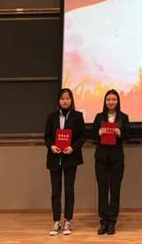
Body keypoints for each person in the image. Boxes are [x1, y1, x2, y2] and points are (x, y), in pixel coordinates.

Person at [43, 88, 87, 236]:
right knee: (55, 191)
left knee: (69, 190)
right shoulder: (51, 116)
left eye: (67, 98)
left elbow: (82, 136)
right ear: (58, 101)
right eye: (62, 98)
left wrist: (73, 147)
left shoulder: (77, 116)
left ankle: (68, 220)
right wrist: (51, 146)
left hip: (70, 158)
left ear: (71, 100)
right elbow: (46, 136)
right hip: (54, 158)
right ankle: (56, 222)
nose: (65, 101)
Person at [92, 89, 131, 235]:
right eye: (108, 99)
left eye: (114, 99)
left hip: (117, 158)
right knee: (102, 189)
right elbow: (91, 135)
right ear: (105, 101)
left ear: (118, 101)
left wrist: (120, 134)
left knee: (115, 190)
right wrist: (98, 133)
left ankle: (112, 221)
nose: (111, 102)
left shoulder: (123, 117)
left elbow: (128, 135)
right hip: (101, 158)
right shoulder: (99, 117)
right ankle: (103, 221)